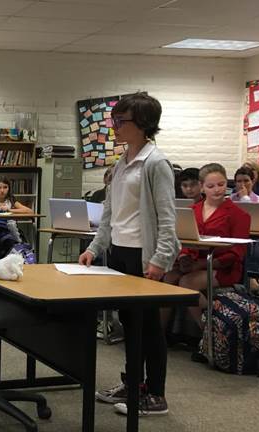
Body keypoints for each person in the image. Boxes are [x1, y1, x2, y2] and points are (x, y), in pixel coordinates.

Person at [78, 93, 179, 416]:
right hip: (120, 253)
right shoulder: (122, 162)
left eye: (121, 122)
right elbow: (110, 214)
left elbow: (167, 219)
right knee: (128, 323)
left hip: (143, 256)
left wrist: (160, 261)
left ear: (144, 125)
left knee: (148, 326)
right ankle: (133, 382)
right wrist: (95, 248)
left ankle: (157, 394)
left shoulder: (155, 163)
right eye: (114, 120)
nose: (115, 127)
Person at [163, 164, 250, 330]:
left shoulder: (239, 214)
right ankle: (161, 335)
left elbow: (236, 253)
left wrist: (200, 264)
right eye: (211, 186)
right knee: (168, 278)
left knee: (187, 282)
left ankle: (211, 333)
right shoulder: (191, 210)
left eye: (222, 184)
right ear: (202, 187)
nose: (217, 190)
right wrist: (183, 257)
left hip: (224, 267)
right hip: (195, 263)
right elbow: (183, 240)